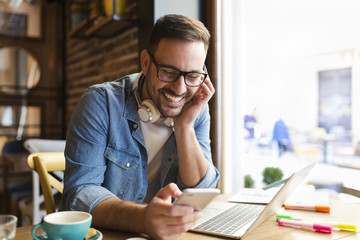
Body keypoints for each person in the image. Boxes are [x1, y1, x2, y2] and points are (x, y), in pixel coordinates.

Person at [60, 14, 220, 240]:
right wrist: (143, 218)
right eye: (168, 72)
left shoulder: (195, 106)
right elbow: (79, 194)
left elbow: (201, 189)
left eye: (192, 76)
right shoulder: (100, 102)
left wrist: (185, 127)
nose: (180, 89)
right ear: (145, 63)